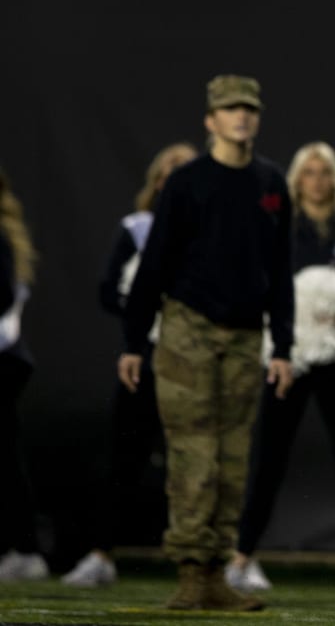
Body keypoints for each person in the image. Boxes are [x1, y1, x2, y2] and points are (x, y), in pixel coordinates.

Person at [118, 75, 294, 612]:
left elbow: (280, 271)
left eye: (249, 108)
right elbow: (154, 266)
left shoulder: (270, 183)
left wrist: (283, 346)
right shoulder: (187, 181)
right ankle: (192, 572)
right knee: (194, 453)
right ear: (210, 120)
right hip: (187, 330)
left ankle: (216, 572)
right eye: (230, 108)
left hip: (246, 336)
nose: (241, 116)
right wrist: (133, 340)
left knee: (232, 457)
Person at [227, 141, 335, 601]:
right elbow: (261, 288)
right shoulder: (280, 228)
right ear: (296, 179)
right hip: (287, 359)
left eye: (324, 172)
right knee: (268, 460)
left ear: (334, 178)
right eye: (308, 172)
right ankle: (241, 560)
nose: (316, 180)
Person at [62, 142, 198, 588]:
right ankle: (101, 554)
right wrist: (144, 316)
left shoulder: (212, 234)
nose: (177, 178)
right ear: (158, 181)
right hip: (145, 360)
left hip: (195, 362)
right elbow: (109, 291)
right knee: (124, 458)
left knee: (198, 461)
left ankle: (203, 564)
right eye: (170, 170)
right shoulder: (138, 229)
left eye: (187, 170)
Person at [0, 168, 47, 583]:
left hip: (4, 358)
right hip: (10, 357)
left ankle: (25, 548)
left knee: (7, 458)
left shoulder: (2, 237)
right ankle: (23, 546)